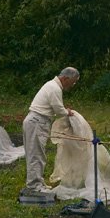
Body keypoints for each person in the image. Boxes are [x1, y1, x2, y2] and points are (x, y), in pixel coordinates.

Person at [21, 66, 79, 198]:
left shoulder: (53, 86)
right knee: (35, 155)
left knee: (38, 154)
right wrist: (67, 112)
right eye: (73, 81)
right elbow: (58, 110)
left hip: (37, 122)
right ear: (65, 78)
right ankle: (34, 186)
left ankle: (38, 182)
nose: (73, 84)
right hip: (37, 122)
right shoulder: (54, 88)